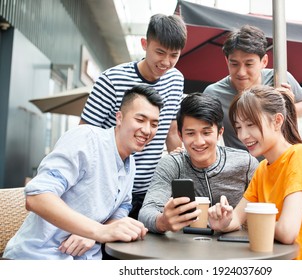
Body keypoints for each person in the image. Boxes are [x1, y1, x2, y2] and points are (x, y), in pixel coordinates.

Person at [3, 85, 163, 260]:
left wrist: (92, 231)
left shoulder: (130, 163)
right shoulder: (87, 139)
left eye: (154, 124)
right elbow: (37, 196)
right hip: (38, 257)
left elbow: (119, 212)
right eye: (140, 120)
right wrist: (98, 231)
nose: (147, 130)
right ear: (119, 117)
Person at [208, 85, 302, 260]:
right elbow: (236, 217)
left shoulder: (300, 155)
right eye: (239, 127)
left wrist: (251, 223)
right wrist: (224, 221)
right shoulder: (262, 169)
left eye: (250, 124)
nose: (243, 135)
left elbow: (287, 231)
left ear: (277, 121)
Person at [79, 13, 187, 219]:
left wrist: (180, 178)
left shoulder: (176, 80)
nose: (166, 62)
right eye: (160, 52)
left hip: (151, 190)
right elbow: (84, 136)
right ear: (144, 44)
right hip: (109, 188)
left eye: (174, 55)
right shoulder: (111, 80)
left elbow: (172, 133)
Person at [138, 93, 258, 233]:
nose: (199, 142)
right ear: (180, 135)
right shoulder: (172, 164)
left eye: (206, 133)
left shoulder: (246, 163)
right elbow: (146, 211)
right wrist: (163, 221)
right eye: (190, 133)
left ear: (220, 133)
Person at [203, 25, 302, 157]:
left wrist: (284, 106)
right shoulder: (213, 94)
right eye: (234, 64)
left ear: (264, 61)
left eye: (249, 64)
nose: (241, 72)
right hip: (240, 169)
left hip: (279, 161)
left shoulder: (279, 79)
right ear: (227, 61)